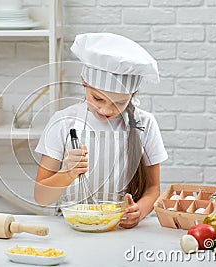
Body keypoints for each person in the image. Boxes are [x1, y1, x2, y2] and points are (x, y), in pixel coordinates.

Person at [34, 33, 168, 228]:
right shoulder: (62, 122)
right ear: (83, 82)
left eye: (120, 103)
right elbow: (41, 197)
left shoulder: (144, 124)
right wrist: (68, 172)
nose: (106, 110)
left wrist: (139, 212)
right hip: (70, 229)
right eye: (97, 99)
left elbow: (153, 188)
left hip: (121, 229)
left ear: (132, 95)